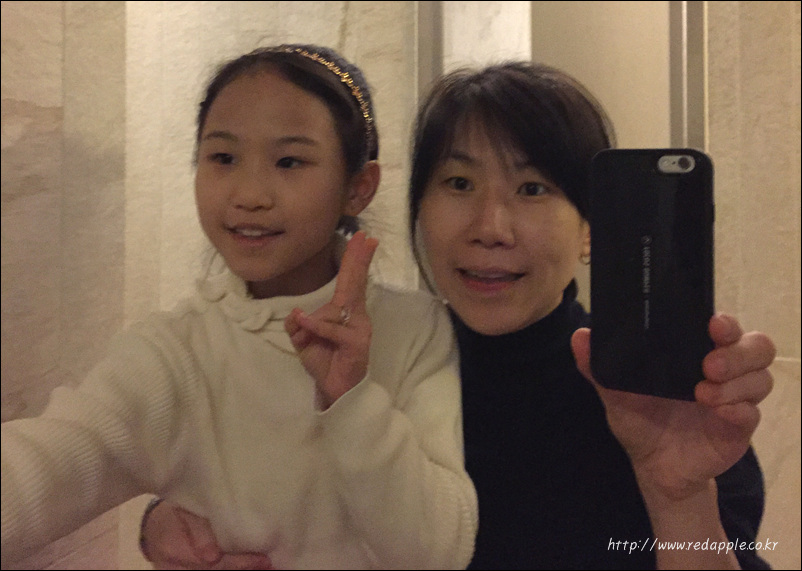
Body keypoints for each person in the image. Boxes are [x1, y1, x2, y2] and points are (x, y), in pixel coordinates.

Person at [139, 61, 776, 570]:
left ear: (591, 228)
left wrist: (678, 498)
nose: (489, 227)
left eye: (533, 188)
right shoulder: (355, 364)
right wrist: (177, 522)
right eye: (459, 184)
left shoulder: (655, 400)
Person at [0, 44, 479, 570]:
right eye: (223, 158)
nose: (249, 194)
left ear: (358, 188)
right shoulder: (177, 351)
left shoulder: (416, 328)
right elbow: (46, 463)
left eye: (289, 161)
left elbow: (439, 551)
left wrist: (352, 399)